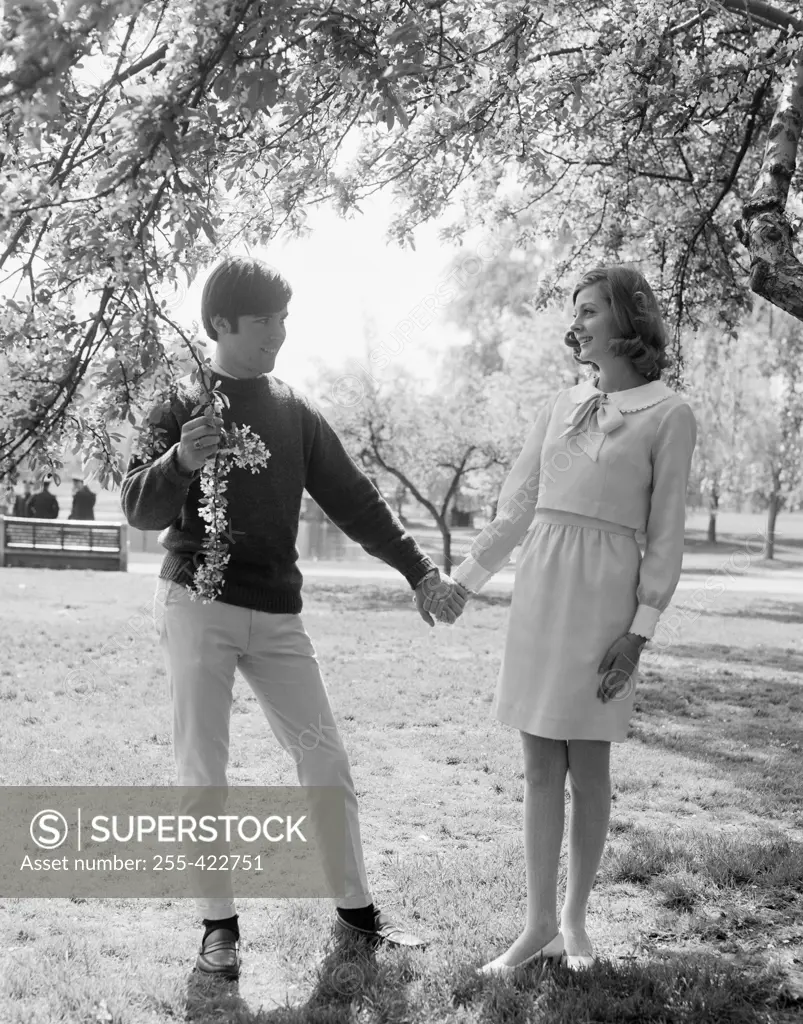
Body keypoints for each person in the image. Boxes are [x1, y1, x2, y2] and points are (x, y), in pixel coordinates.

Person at [120, 255, 466, 982]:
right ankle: (218, 928)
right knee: (202, 770)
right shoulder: (178, 402)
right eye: (266, 319)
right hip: (195, 606)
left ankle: (358, 918)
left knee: (325, 760)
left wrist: (419, 571)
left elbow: (354, 498)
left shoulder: (292, 409)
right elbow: (139, 508)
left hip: (277, 614)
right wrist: (180, 459)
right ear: (221, 325)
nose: (281, 330)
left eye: (284, 317)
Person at [427, 265, 697, 974]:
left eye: (588, 310)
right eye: (573, 311)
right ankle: (537, 924)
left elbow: (665, 536)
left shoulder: (670, 415)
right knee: (539, 763)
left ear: (625, 321)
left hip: (605, 597)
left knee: (590, 763)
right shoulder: (556, 404)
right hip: (541, 588)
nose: (575, 323)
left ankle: (575, 922)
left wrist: (638, 634)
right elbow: (516, 507)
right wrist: (464, 582)